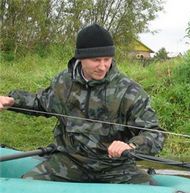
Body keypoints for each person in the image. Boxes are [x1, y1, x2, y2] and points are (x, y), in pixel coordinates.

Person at [0, 24, 164, 183]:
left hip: (115, 167)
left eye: (107, 59)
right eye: (96, 60)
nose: (102, 66)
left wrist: (132, 146)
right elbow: (41, 103)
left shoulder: (129, 91)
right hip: (70, 161)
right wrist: (13, 101)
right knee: (26, 186)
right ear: (81, 58)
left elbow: (154, 133)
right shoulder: (64, 81)